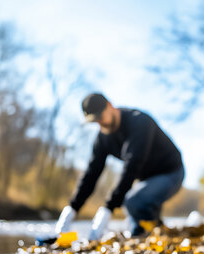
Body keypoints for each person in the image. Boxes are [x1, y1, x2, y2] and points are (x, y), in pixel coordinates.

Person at [55, 93, 184, 240]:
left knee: (133, 202)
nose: (99, 123)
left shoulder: (139, 122)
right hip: (146, 181)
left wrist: (108, 208)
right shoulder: (102, 138)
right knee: (138, 220)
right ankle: (154, 232)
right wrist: (72, 208)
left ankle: (144, 234)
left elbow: (132, 166)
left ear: (110, 106)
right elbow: (92, 173)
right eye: (94, 121)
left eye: (100, 117)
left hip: (171, 173)